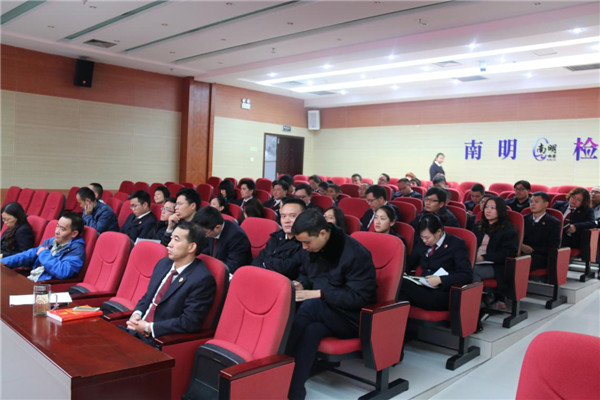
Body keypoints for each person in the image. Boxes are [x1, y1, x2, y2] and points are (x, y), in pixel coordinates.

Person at [285, 209, 376, 400]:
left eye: (307, 242)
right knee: (311, 331)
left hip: (352, 318)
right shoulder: (312, 248)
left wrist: (319, 293)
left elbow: (359, 298)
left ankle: (279, 359)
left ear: (323, 233)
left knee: (309, 306)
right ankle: (294, 392)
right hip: (326, 312)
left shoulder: (355, 254)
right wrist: (302, 284)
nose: (304, 247)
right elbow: (307, 274)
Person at [125, 221, 216, 345]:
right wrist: (137, 314)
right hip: (135, 331)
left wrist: (149, 328)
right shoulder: (163, 263)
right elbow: (148, 296)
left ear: (191, 247)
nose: (169, 244)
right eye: (171, 238)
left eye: (176, 240)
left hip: (158, 342)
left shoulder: (202, 280)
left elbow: (189, 322)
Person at [400, 214, 472, 310]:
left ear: (439, 232)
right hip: (423, 286)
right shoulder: (421, 242)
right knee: (399, 292)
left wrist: (440, 279)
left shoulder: (456, 244)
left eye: (427, 237)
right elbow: (411, 261)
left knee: (401, 285)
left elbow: (466, 274)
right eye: (422, 237)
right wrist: (404, 271)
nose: (424, 240)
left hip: (441, 292)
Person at [1, 212, 85, 282]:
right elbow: (28, 255)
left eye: (62, 229)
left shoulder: (76, 249)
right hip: (32, 280)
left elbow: (62, 271)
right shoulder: (52, 241)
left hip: (45, 286)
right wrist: (3, 262)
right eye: (57, 226)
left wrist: (43, 253)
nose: (56, 231)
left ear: (74, 233)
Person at [471, 197, 519, 308]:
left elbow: (508, 253)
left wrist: (484, 257)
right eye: (486, 207)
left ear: (500, 210)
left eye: (493, 208)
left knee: (474, 271)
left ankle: (475, 306)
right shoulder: (478, 225)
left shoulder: (508, 230)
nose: (488, 210)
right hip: (475, 260)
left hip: (495, 265)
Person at [251, 198, 306, 279]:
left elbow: (286, 268)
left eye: (292, 216)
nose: (286, 220)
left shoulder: (306, 242)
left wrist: (266, 262)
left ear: (304, 217)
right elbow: (258, 260)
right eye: (283, 216)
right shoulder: (276, 236)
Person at [194, 206, 252, 274]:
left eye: (205, 232)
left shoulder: (237, 237)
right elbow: (205, 250)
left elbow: (232, 267)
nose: (204, 235)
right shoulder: (208, 229)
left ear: (217, 227)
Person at [521, 192, 561, 271]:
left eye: (536, 202)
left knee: (520, 264)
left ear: (546, 204)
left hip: (540, 255)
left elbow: (553, 246)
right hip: (521, 252)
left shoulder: (554, 222)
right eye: (531, 202)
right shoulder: (523, 219)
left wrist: (532, 249)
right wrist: (521, 246)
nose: (532, 204)